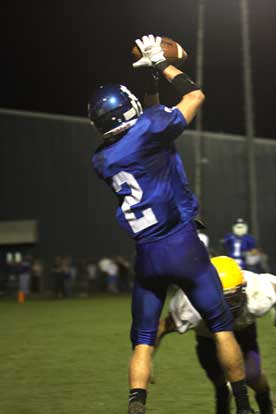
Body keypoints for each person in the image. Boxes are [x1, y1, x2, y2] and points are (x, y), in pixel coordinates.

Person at [88, 34, 252, 414]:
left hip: (147, 253)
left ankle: (136, 406)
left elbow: (150, 122)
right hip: (182, 243)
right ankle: (243, 406)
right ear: (128, 111)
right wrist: (162, 64)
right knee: (221, 326)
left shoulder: (102, 159)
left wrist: (150, 82)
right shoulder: (148, 130)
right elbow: (194, 97)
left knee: (143, 340)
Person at [156, 256, 276, 414]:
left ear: (244, 287)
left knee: (253, 375)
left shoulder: (260, 292)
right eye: (221, 301)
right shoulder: (188, 305)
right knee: (220, 384)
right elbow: (161, 327)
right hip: (209, 338)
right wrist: (147, 358)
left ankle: (267, 405)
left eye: (232, 300)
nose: (228, 307)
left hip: (243, 332)